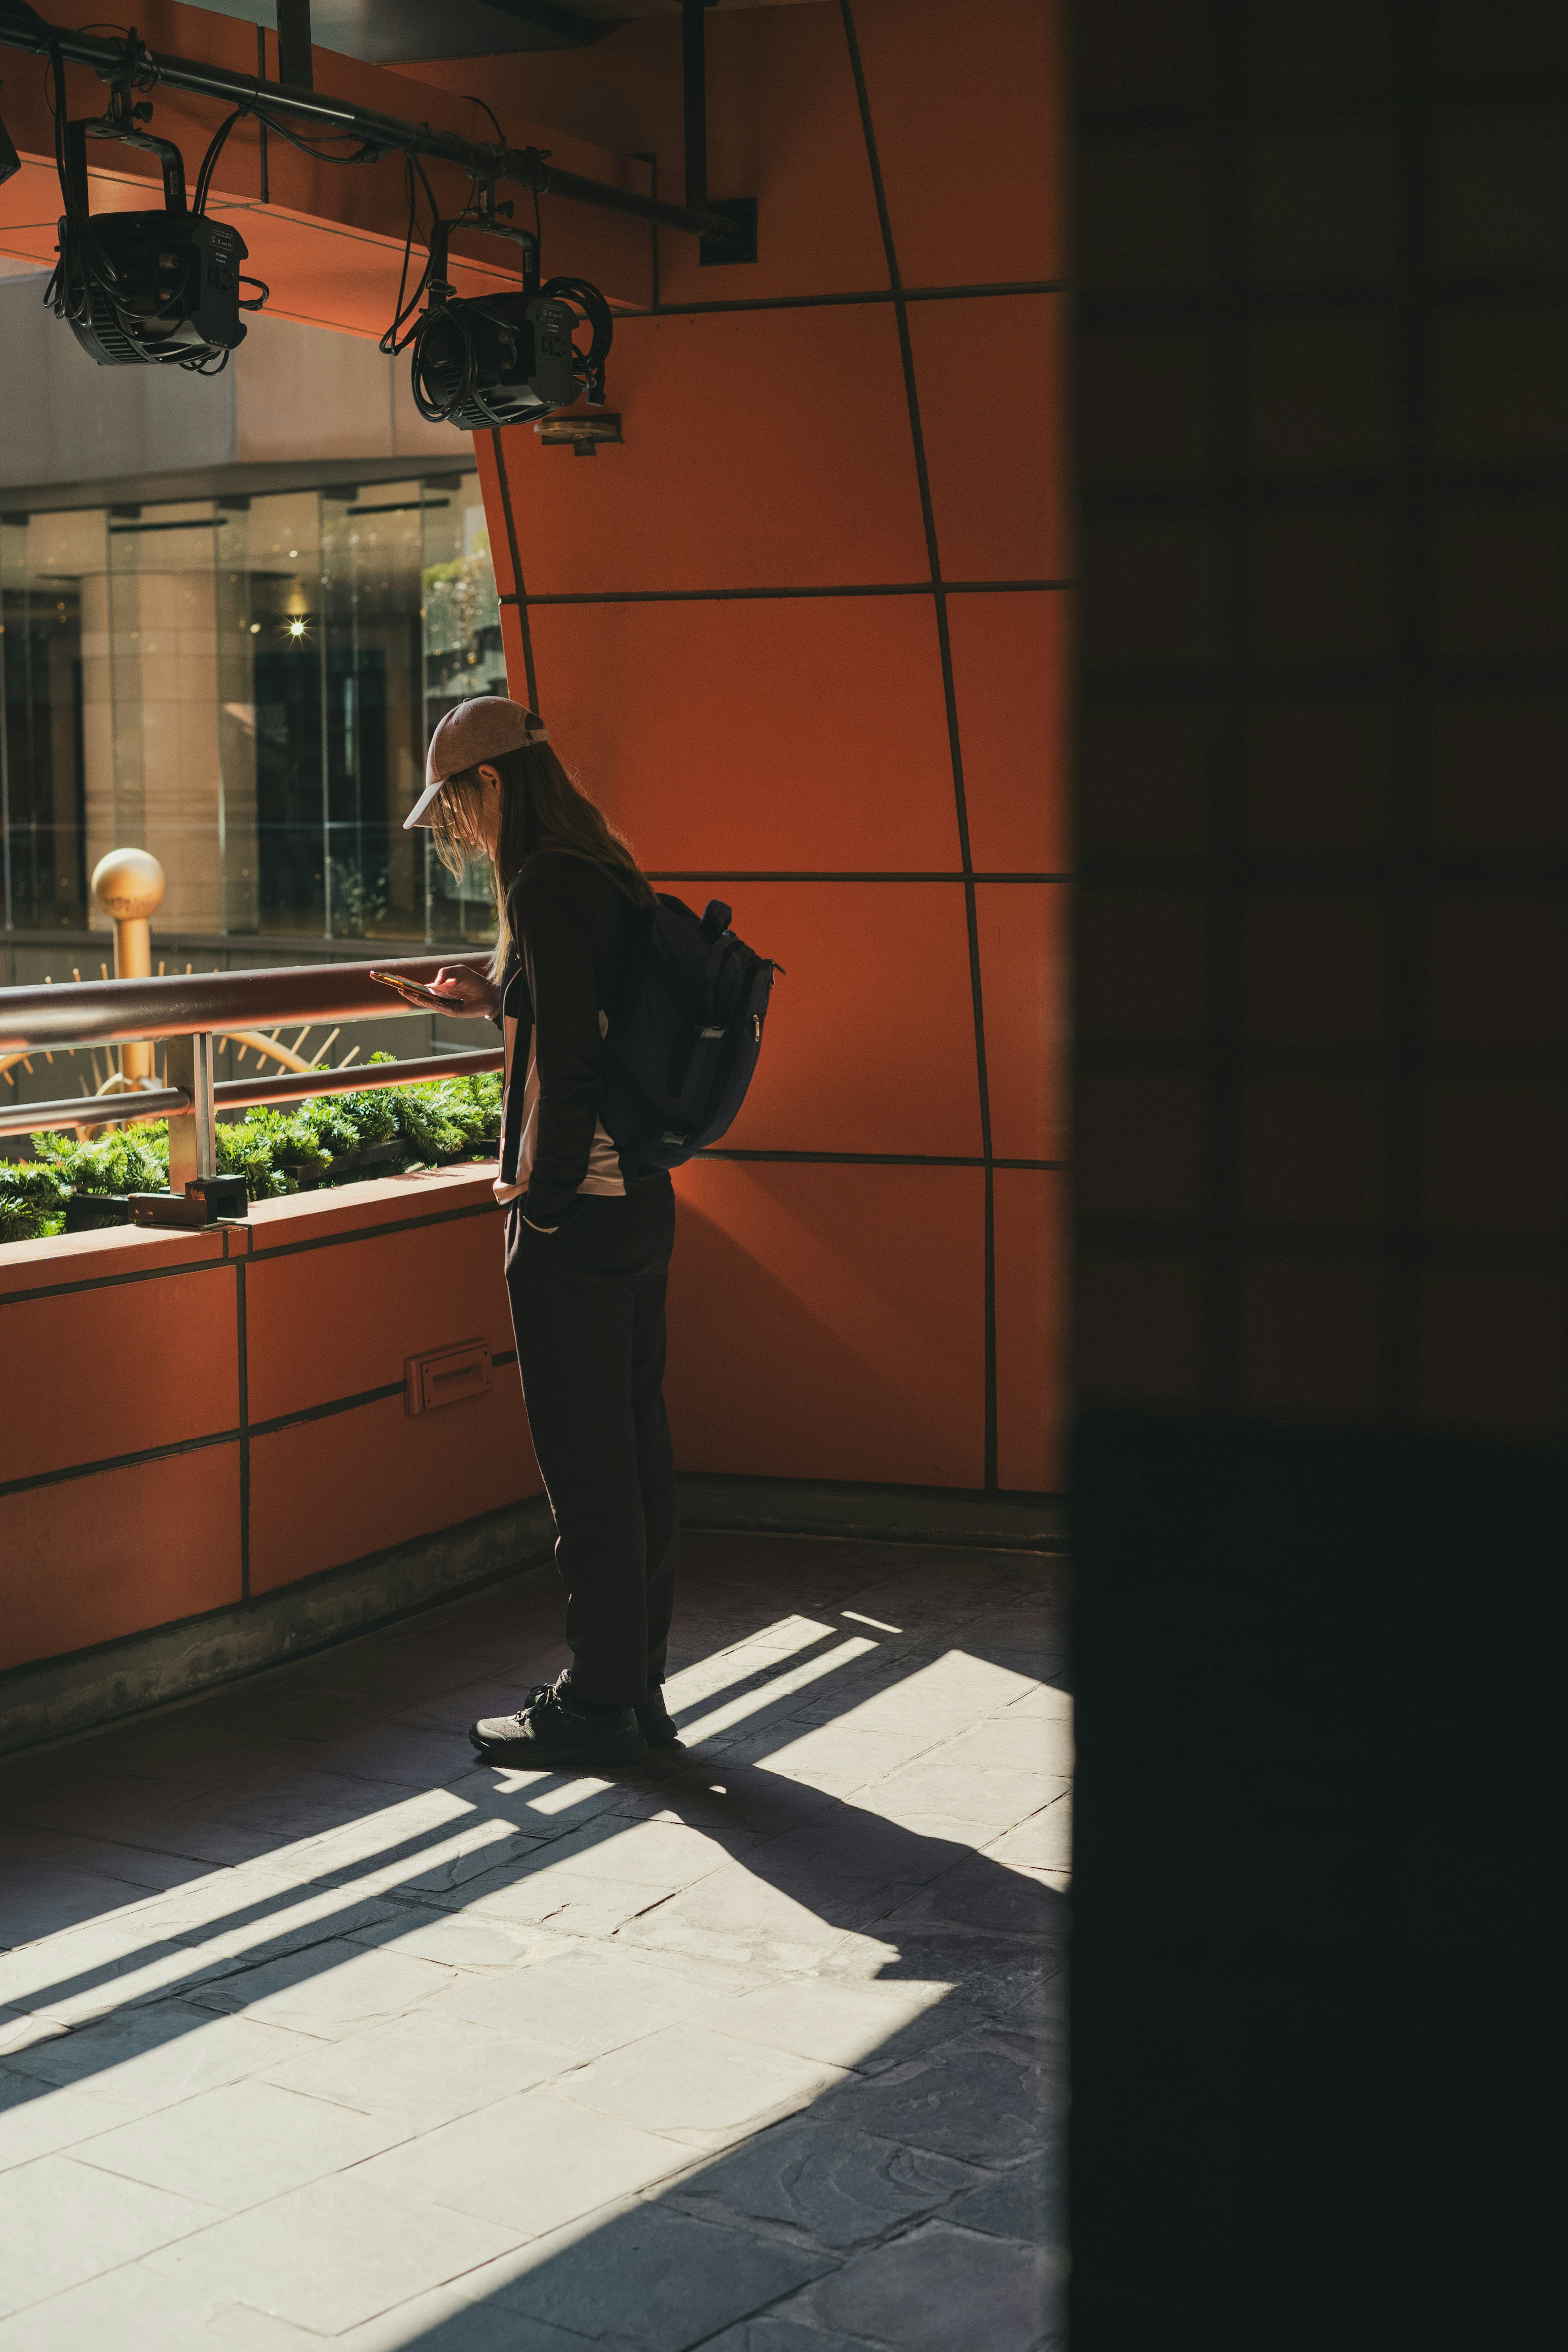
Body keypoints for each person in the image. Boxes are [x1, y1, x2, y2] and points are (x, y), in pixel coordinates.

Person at [404, 695, 681, 1771]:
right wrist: (496, 998)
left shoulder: (542, 884)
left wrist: (547, 1203)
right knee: (637, 1449)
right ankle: (638, 1683)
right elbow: (587, 1021)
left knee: (588, 1467)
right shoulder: (602, 868)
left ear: (494, 784)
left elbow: (569, 1069)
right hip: (641, 1202)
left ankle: (598, 1704)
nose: (459, 828)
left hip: (580, 1212)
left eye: (459, 804)